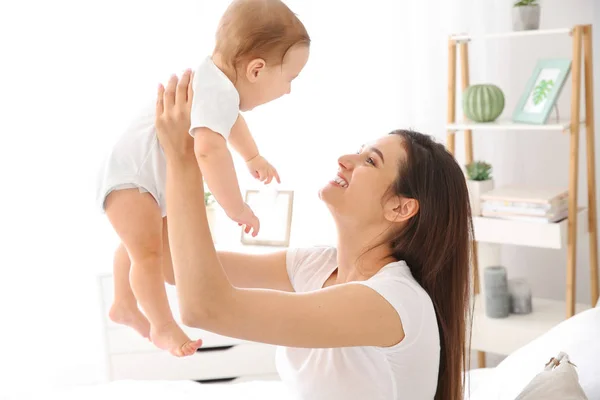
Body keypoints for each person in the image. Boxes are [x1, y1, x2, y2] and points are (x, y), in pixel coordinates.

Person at [154, 71, 474, 399]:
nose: (345, 160)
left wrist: (186, 159)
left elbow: (204, 308)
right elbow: (168, 266)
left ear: (400, 208)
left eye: (369, 161)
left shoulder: (392, 299)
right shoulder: (317, 266)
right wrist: (157, 162)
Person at [95, 0, 310, 357]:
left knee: (139, 244)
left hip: (139, 180)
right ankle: (161, 323)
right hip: (133, 179)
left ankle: (123, 303)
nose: (288, 90)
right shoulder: (216, 90)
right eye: (289, 79)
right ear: (256, 70)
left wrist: (252, 156)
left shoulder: (217, 86)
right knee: (147, 254)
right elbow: (209, 151)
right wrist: (236, 207)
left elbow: (231, 123)